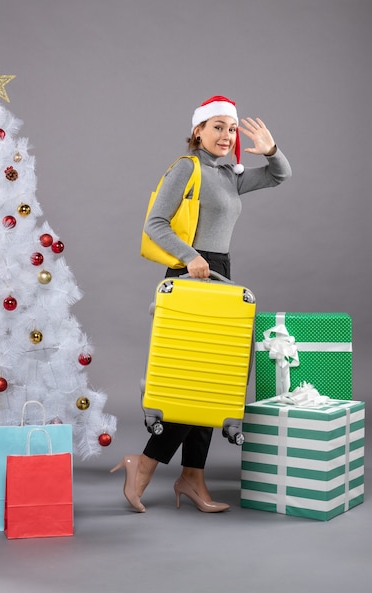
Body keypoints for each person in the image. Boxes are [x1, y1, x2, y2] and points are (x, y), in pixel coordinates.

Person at [111, 95, 292, 513]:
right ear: (198, 131)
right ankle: (144, 464)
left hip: (222, 271)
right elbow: (155, 222)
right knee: (189, 382)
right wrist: (190, 256)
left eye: (231, 129)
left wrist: (271, 150)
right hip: (190, 274)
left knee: (213, 381)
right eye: (217, 127)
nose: (227, 136)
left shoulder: (230, 175)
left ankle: (193, 476)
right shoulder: (186, 168)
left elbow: (281, 176)